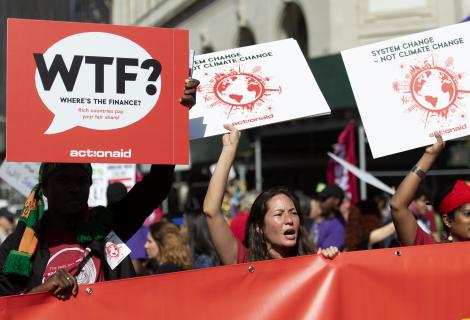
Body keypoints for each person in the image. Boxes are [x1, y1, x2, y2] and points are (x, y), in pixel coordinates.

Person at [0, 79, 199, 299]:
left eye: (81, 181)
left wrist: (176, 114)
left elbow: (157, 185)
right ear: (45, 188)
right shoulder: (21, 245)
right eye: (64, 181)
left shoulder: (107, 225)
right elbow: (5, 305)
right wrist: (41, 292)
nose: (74, 188)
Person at [203, 124, 338, 265]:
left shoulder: (312, 262)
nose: (289, 220)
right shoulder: (246, 262)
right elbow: (211, 210)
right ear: (259, 227)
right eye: (279, 214)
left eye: (293, 213)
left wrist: (329, 262)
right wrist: (229, 150)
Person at [390, 132, 470, 245]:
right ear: (447, 221)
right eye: (468, 214)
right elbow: (398, 206)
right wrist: (430, 155)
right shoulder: (431, 250)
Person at [312, 184, 346, 250]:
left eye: (324, 198)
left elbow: (325, 254)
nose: (321, 202)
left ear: (336, 201)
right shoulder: (320, 220)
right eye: (320, 198)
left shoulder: (338, 226)